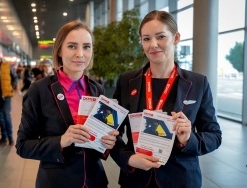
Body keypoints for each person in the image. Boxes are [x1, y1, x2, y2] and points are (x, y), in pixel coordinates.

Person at [110, 10, 222, 188]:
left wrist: (188, 139)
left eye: (161, 37)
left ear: (176, 38)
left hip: (181, 179)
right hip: (136, 179)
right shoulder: (127, 81)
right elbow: (111, 133)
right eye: (146, 39)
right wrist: (129, 158)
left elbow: (214, 135)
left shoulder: (197, 83)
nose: (153, 44)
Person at [15, 20, 119, 188]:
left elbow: (100, 139)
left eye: (86, 47)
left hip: (94, 180)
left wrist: (107, 142)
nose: (80, 53)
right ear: (59, 51)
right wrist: (61, 141)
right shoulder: (40, 90)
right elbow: (23, 146)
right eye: (72, 46)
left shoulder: (96, 89)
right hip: (57, 181)